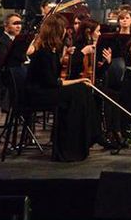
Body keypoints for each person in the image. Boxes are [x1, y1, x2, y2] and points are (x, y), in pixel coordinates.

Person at [25, 13, 101, 161]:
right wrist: (79, 81)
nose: (67, 31)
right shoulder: (43, 53)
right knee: (78, 91)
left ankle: (84, 140)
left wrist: (65, 56)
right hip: (37, 93)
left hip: (48, 89)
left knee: (82, 90)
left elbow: (56, 78)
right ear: (58, 31)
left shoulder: (53, 52)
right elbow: (54, 82)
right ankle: (73, 146)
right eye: (65, 28)